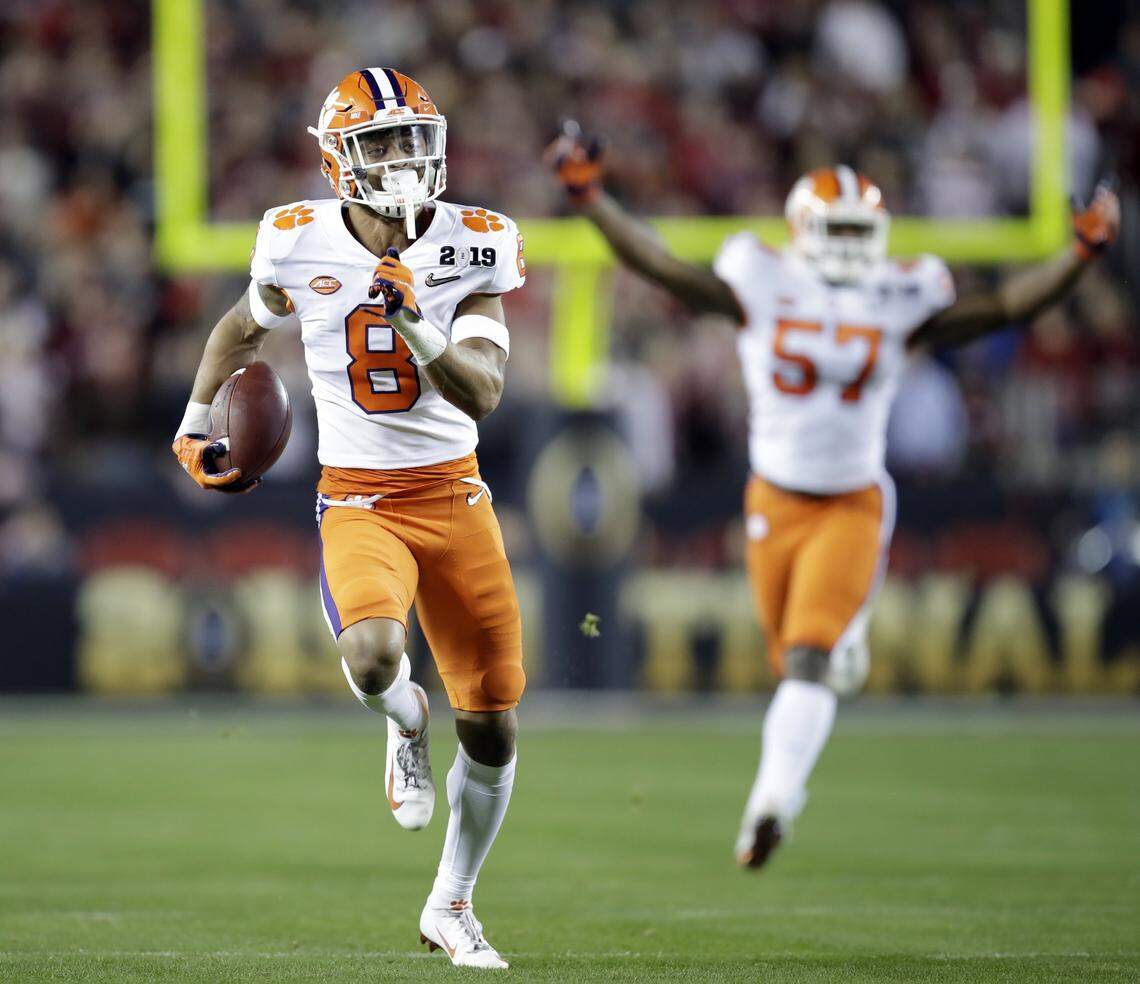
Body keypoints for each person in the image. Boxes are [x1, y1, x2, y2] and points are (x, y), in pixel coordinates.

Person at [547, 124, 1120, 870]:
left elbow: (1004, 307)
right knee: (793, 651)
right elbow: (658, 266)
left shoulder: (896, 294)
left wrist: (1077, 256)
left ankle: (773, 800)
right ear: (801, 230)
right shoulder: (763, 277)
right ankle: (844, 643)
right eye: (837, 229)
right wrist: (592, 202)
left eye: (861, 230)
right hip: (774, 501)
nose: (851, 245)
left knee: (808, 661)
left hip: (851, 500)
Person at [174, 68, 528, 969]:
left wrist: (418, 324)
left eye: (416, 140)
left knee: (492, 721)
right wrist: (193, 420)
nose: (405, 162)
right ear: (339, 159)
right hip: (361, 497)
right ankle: (403, 722)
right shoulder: (295, 241)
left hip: (456, 495)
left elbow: (482, 392)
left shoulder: (474, 242)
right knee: (374, 657)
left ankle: (452, 902)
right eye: (383, 144)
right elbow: (238, 331)